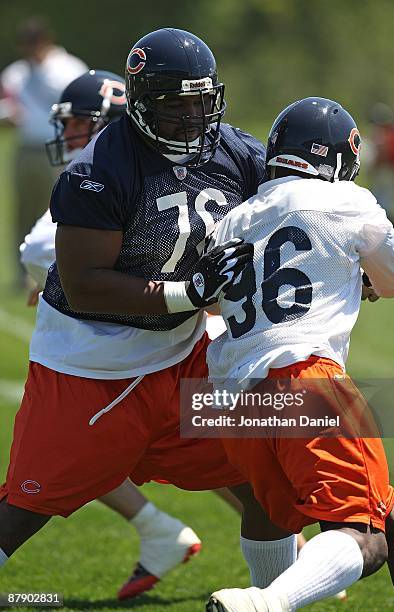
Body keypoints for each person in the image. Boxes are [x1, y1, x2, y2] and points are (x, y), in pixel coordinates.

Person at [0, 27, 286, 598]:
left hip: (182, 356)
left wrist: (346, 259)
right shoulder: (99, 167)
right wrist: (189, 292)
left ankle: (271, 600)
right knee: (24, 510)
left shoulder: (233, 150)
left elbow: (291, 206)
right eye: (173, 103)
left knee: (265, 480)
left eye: (199, 101)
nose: (188, 117)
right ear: (141, 101)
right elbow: (85, 287)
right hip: (91, 369)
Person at [205, 97, 394, 611]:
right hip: (305, 376)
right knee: (366, 535)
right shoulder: (348, 201)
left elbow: (213, 299)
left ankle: (265, 601)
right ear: (337, 158)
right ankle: (264, 604)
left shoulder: (232, 221)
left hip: (231, 398)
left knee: (269, 515)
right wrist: (360, 276)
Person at [19, 68, 204, 601]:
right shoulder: (176, 165)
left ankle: (309, 552)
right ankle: (295, 552)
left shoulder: (99, 174)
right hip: (186, 326)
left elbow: (38, 251)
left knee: (226, 448)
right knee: (224, 452)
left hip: (156, 338)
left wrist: (60, 278)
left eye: (79, 122)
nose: (71, 134)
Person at [0, 16, 87, 281]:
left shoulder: (69, 69)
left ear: (45, 41)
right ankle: (22, 274)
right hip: (26, 148)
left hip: (60, 149)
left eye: (33, 43)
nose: (30, 49)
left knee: (59, 210)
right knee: (23, 212)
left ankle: (58, 269)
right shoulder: (16, 73)